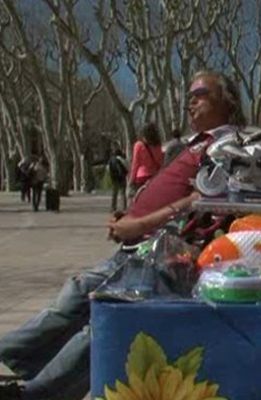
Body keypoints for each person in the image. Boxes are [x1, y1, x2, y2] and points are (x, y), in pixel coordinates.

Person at [0, 70, 246, 400]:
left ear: (227, 101)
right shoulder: (194, 144)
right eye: (189, 94)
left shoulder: (228, 146)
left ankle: (35, 394)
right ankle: (15, 360)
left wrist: (140, 224)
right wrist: (130, 216)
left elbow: (206, 200)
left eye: (199, 93)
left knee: (104, 319)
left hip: (160, 254)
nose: (190, 102)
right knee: (76, 294)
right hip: (137, 245)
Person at [128, 122, 163, 199]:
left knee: (140, 201)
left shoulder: (138, 145)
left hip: (141, 178)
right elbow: (160, 161)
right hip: (154, 176)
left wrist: (131, 180)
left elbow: (135, 164)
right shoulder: (157, 145)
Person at [107, 147, 129, 212]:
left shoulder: (111, 159)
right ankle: (124, 207)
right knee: (123, 193)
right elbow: (127, 167)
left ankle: (113, 207)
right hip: (122, 178)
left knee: (114, 193)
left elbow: (108, 169)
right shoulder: (122, 159)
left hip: (114, 178)